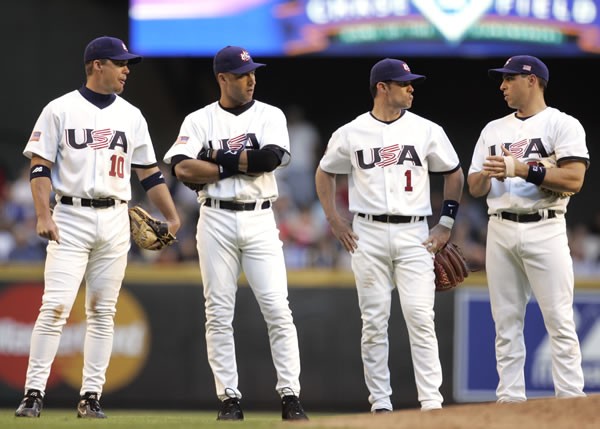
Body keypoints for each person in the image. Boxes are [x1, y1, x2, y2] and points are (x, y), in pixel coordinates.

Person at [15, 36, 181, 418]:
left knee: (103, 311)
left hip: (115, 218)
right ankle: (33, 393)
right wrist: (44, 214)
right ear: (96, 65)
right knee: (54, 306)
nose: (126, 70)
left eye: (128, 64)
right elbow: (40, 166)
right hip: (70, 216)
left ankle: (91, 397)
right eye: (120, 63)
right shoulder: (59, 109)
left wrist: (172, 217)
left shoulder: (132, 115)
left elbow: (150, 174)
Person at [163, 45, 308, 421]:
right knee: (218, 312)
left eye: (253, 72)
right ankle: (229, 398)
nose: (252, 79)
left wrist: (213, 158)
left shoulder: (269, 115)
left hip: (260, 218)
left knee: (278, 308)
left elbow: (269, 160)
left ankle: (290, 396)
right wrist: (235, 165)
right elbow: (181, 169)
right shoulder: (199, 120)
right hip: (215, 219)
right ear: (222, 79)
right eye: (243, 74)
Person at [315, 58, 464, 412]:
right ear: (382, 87)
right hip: (367, 232)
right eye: (404, 83)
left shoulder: (427, 129)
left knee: (420, 317)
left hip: (415, 232)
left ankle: (431, 403)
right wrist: (334, 220)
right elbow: (325, 173)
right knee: (374, 322)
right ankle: (380, 404)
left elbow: (454, 174)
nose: (411, 88)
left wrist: (445, 223)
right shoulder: (351, 132)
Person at [467, 55, 588, 403]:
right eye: (502, 80)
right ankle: (510, 402)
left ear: (531, 80)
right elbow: (475, 187)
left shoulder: (562, 124)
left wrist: (523, 170)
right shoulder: (493, 129)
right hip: (500, 227)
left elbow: (574, 179)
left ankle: (570, 401)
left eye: (509, 79)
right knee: (505, 324)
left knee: (560, 320)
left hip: (545, 226)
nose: (502, 86)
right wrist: (487, 173)